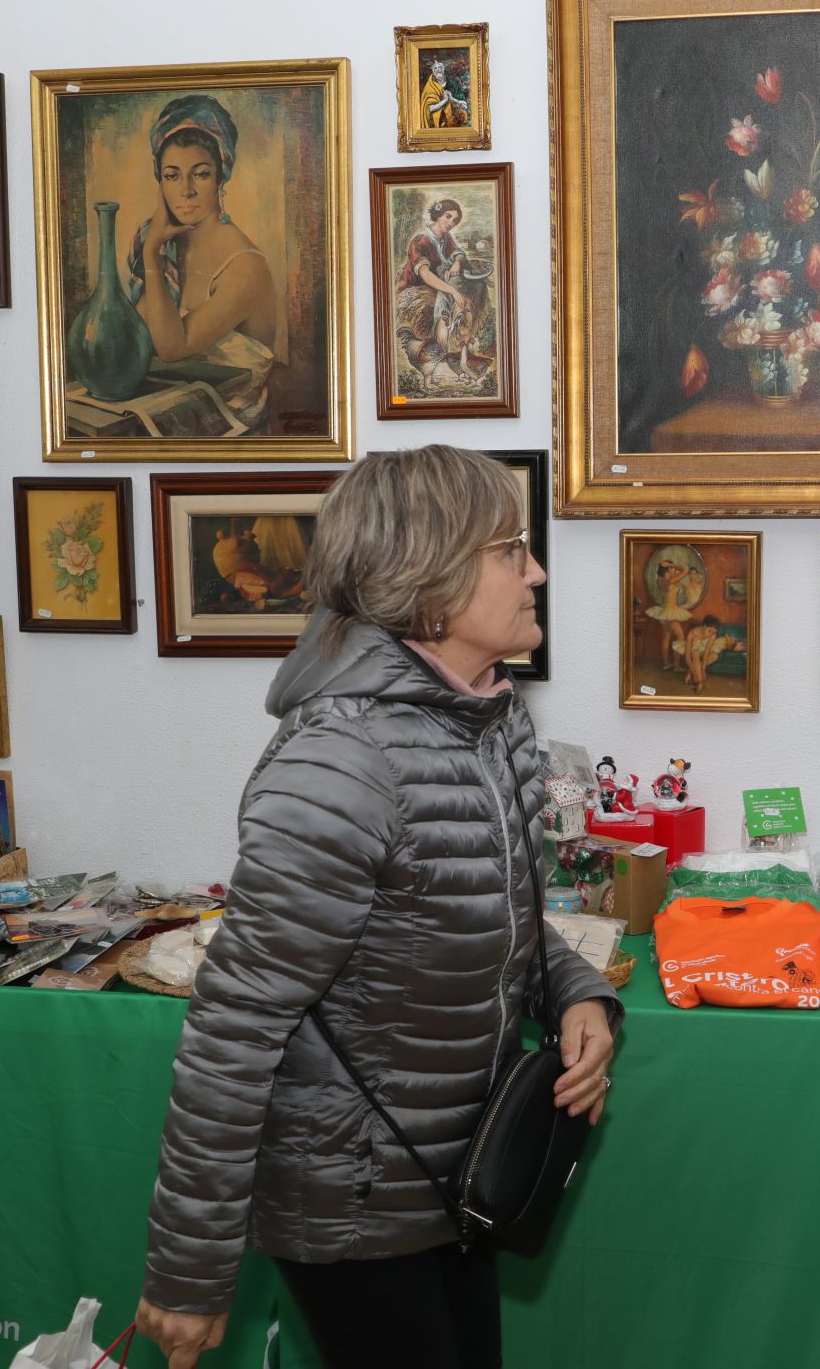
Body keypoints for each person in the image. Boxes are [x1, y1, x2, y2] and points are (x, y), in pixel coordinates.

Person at [135, 446, 620, 1369]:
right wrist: (190, 1275)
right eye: (511, 550)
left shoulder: (492, 717)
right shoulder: (340, 764)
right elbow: (232, 1030)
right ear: (431, 582)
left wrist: (579, 993)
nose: (537, 571)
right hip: (353, 1198)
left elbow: (503, 913)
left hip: (452, 1166)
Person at [125, 94, 289, 424]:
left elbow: (171, 348)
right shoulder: (163, 242)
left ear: (221, 177)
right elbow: (137, 338)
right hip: (167, 412)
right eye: (172, 175)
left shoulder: (246, 267)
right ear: (160, 182)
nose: (185, 191)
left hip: (233, 429)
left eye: (199, 174)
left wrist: (151, 254)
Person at [396, 199, 490, 389]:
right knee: (451, 292)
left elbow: (459, 253)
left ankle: (463, 342)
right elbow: (425, 274)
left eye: (455, 220)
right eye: (448, 217)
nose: (451, 223)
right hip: (419, 285)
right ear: (438, 215)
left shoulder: (446, 238)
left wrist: (456, 261)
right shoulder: (420, 241)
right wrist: (452, 290)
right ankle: (442, 327)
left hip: (441, 282)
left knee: (478, 287)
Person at [644, 556, 694, 670]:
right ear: (668, 569)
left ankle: (666, 664)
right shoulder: (670, 581)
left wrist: (668, 566)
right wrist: (670, 564)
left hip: (664, 611)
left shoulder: (659, 580)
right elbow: (686, 569)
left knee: (666, 637)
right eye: (671, 568)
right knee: (681, 637)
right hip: (670, 612)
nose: (674, 570)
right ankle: (676, 666)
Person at [421, 58, 469, 128]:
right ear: (433, 71)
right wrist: (445, 100)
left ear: (443, 69)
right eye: (435, 68)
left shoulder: (453, 83)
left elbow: (465, 105)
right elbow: (428, 108)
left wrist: (453, 100)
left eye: (440, 67)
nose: (438, 70)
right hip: (435, 124)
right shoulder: (430, 87)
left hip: (453, 122)